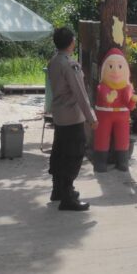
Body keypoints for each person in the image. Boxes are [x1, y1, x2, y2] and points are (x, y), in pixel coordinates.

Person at [47, 27, 97, 211]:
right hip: (72, 117)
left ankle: (58, 189)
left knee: (60, 152)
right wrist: (91, 117)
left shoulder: (53, 61)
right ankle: (67, 196)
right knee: (74, 154)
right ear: (71, 42)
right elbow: (80, 93)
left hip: (59, 115)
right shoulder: (70, 65)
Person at [92, 48, 137, 172]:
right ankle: (100, 162)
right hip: (104, 115)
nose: (115, 71)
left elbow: (129, 105)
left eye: (120, 66)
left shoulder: (127, 87)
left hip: (122, 116)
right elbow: (103, 94)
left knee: (123, 137)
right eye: (110, 66)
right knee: (102, 137)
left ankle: (123, 161)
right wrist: (108, 98)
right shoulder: (102, 86)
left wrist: (134, 99)